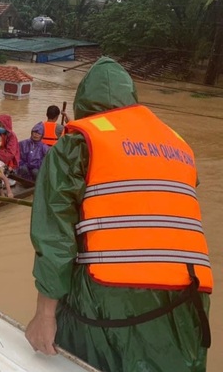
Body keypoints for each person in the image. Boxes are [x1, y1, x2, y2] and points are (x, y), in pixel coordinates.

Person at [25, 57, 212, 372]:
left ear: (85, 104)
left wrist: (44, 316)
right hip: (191, 299)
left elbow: (55, 237)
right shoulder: (178, 145)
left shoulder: (78, 142)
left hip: (111, 297)